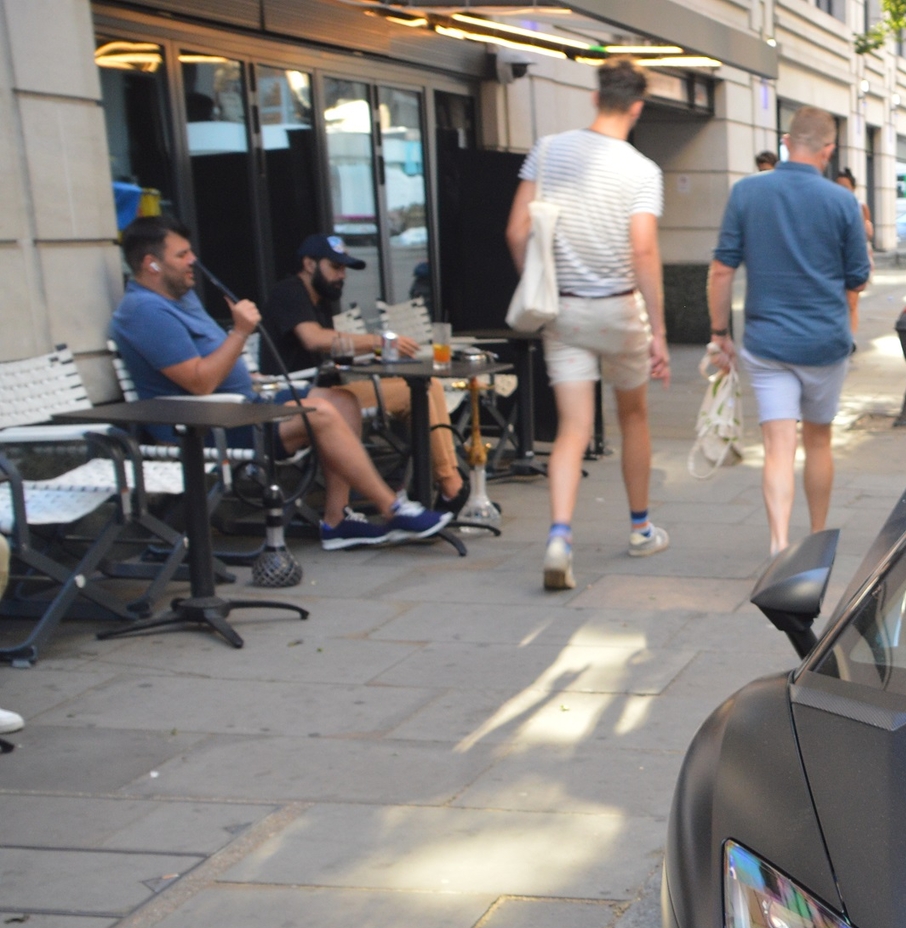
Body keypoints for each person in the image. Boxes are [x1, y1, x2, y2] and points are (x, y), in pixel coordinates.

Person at [108, 217, 450, 550]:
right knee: (321, 411)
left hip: (243, 404)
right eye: (181, 255)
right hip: (204, 426)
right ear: (151, 264)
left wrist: (248, 375)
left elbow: (214, 362)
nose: (192, 261)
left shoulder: (181, 299)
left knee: (343, 400)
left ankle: (337, 521)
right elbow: (199, 383)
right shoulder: (144, 311)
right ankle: (393, 508)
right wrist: (240, 331)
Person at [506, 56, 672, 592]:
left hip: (566, 310)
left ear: (595, 97)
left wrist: (538, 281)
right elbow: (643, 250)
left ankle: (559, 536)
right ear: (638, 107)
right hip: (620, 309)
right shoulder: (642, 170)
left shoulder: (548, 150)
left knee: (573, 428)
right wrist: (661, 333)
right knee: (634, 417)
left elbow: (515, 232)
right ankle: (641, 529)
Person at [708, 103, 871, 558]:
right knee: (818, 441)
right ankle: (816, 539)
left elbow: (722, 270)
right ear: (829, 150)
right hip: (824, 342)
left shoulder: (746, 193)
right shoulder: (842, 202)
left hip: (766, 342)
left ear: (786, 142)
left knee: (778, 446)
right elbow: (857, 277)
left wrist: (719, 332)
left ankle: (779, 545)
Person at [259, 233, 465, 510]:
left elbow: (329, 350)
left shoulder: (318, 300)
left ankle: (448, 482)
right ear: (309, 264)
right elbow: (315, 339)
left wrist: (371, 353)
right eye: (335, 267)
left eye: (344, 269)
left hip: (326, 389)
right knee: (416, 391)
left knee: (428, 387)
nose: (341, 275)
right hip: (296, 397)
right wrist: (378, 341)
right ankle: (450, 486)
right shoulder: (290, 291)